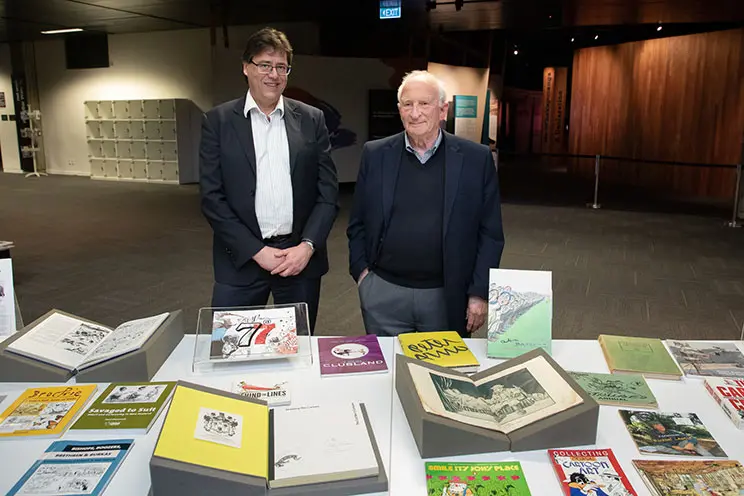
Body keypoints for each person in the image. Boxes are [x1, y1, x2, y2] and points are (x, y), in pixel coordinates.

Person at [200, 27, 338, 333]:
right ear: (246, 67)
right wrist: (255, 250)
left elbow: (327, 193)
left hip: (298, 261)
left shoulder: (311, 119)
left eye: (281, 67)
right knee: (229, 353)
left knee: (297, 352)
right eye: (264, 65)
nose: (273, 74)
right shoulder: (218, 122)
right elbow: (212, 197)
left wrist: (308, 245)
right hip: (241, 260)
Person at [347, 70, 504, 337]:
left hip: (447, 296)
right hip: (384, 295)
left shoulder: (475, 160)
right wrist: (364, 277)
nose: (415, 113)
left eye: (424, 104)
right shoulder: (375, 154)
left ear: (442, 110)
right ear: (399, 110)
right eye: (407, 104)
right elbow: (358, 222)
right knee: (389, 374)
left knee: (443, 376)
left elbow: (490, 234)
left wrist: (479, 292)